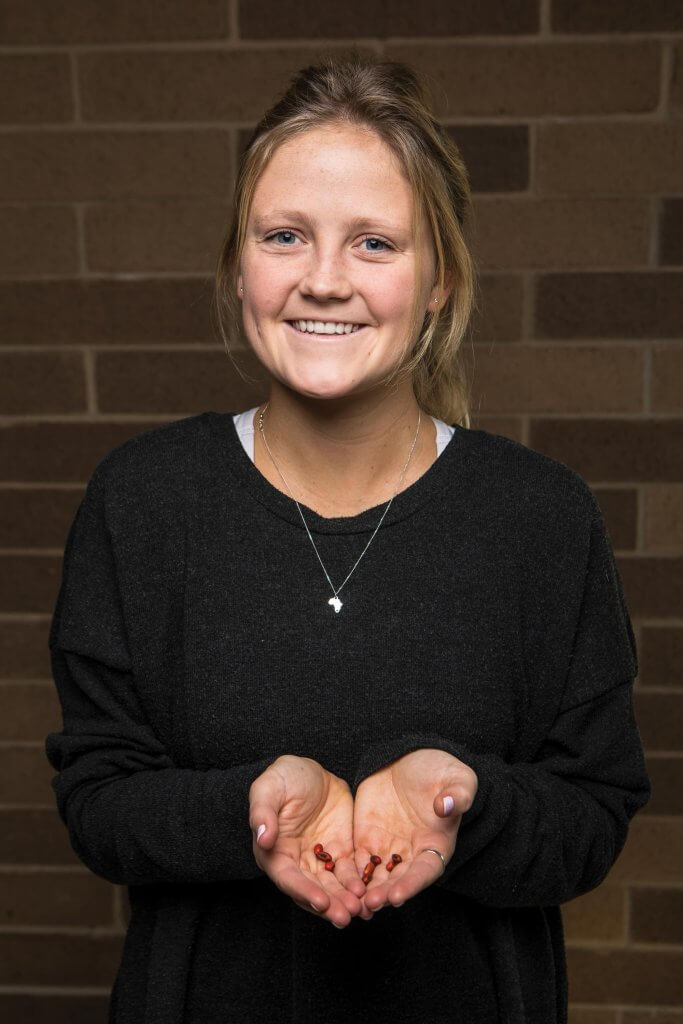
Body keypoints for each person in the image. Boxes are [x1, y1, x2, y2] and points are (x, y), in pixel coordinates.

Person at [45, 52, 651, 1024]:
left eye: (373, 243)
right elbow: (99, 800)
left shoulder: (539, 517)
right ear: (238, 266)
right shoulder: (144, 502)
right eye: (284, 235)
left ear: (440, 278)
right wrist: (244, 808)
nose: (322, 280)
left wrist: (468, 805)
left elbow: (589, 813)